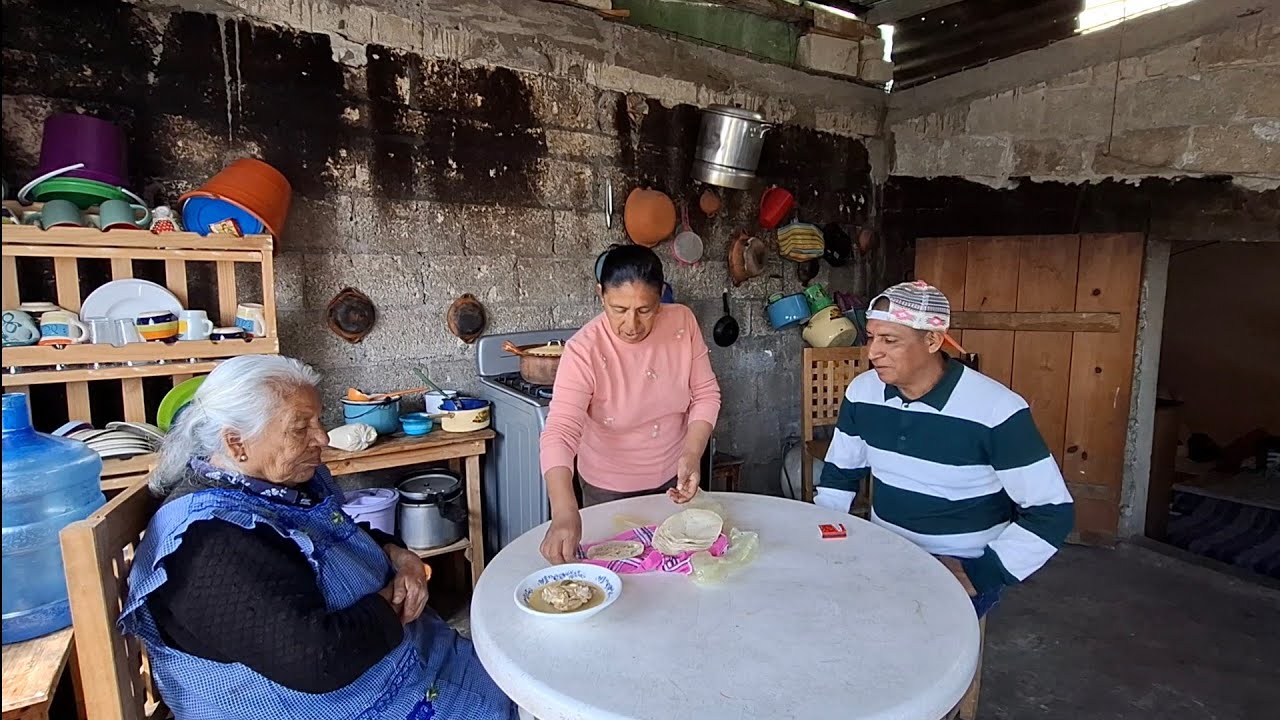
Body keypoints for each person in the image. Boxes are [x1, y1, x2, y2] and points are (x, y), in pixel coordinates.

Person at [119, 355, 518, 720]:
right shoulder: (208, 546)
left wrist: (400, 556)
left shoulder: (269, 486)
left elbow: (335, 530)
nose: (323, 438)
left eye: (318, 421)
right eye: (300, 428)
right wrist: (391, 597)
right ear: (236, 442)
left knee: (518, 680)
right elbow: (318, 658)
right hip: (352, 701)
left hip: (412, 662)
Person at [815, 281, 1074, 617]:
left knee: (917, 650)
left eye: (889, 340)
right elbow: (840, 473)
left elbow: (1052, 511)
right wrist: (825, 535)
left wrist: (981, 574)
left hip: (961, 563)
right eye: (871, 337)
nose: (872, 352)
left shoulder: (996, 410)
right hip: (884, 550)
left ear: (933, 340)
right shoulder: (863, 393)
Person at [539, 244, 722, 564]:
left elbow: (706, 394)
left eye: (645, 310)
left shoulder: (682, 323)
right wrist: (565, 511)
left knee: (672, 572)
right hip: (606, 488)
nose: (631, 325)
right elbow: (561, 430)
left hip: (673, 482)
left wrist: (692, 455)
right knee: (618, 574)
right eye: (618, 309)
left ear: (661, 296)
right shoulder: (585, 350)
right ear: (601, 295)